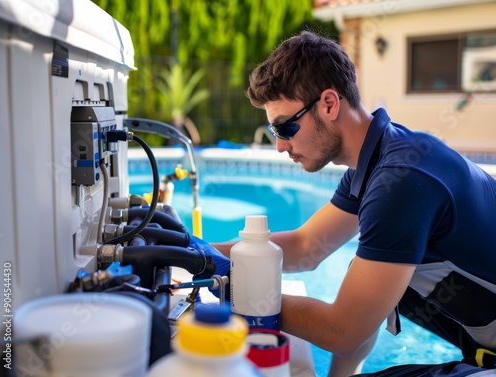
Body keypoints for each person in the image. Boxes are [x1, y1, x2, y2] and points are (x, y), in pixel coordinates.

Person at [209, 30, 496, 377]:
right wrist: (201, 253)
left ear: (329, 104)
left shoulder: (402, 181)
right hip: (481, 326)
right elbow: (307, 246)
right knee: (365, 273)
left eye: (285, 128)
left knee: (361, 296)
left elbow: (342, 331)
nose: (280, 148)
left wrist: (248, 298)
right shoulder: (378, 158)